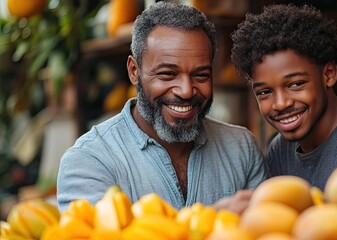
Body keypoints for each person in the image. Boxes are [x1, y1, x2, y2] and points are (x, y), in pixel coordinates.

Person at [57, 1, 267, 213]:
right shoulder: (91, 160)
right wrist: (215, 217)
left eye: (201, 75)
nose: (186, 90)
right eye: (168, 74)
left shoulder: (241, 149)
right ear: (134, 71)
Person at [230, 4, 337, 190]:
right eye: (264, 92)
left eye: (295, 84)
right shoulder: (280, 150)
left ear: (328, 74)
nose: (280, 104)